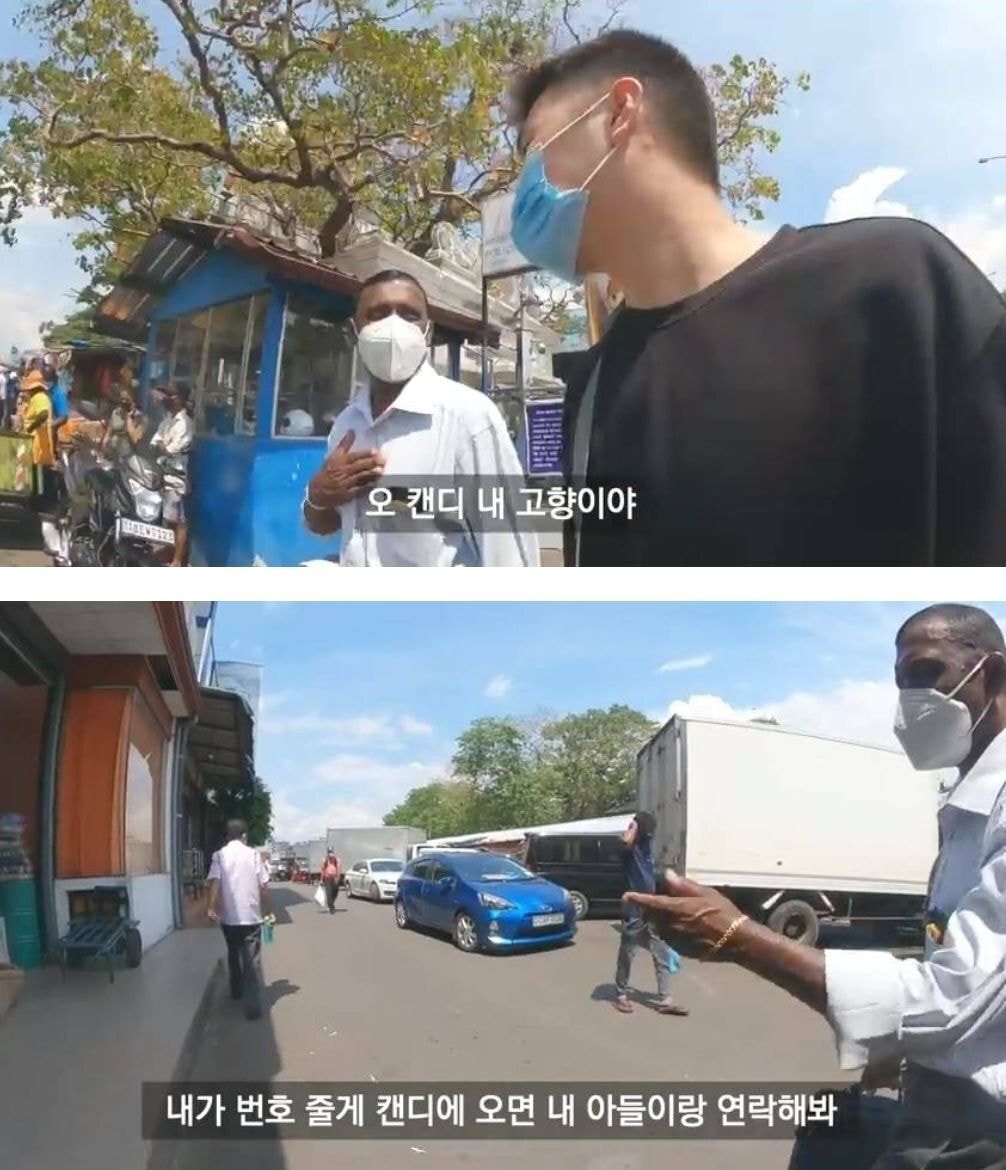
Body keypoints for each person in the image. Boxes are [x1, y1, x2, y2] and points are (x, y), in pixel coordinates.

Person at [507, 31, 1006, 568]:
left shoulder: (896, 281)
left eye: (534, 153)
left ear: (619, 114)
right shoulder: (590, 390)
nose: (522, 192)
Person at [629, 603, 1006, 1167]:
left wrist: (741, 937)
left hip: (979, 1125)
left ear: (994, 676)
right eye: (900, 682)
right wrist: (901, 1051)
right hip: (939, 1095)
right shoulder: (963, 807)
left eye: (926, 673)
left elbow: (951, 1000)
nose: (909, 701)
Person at [303, 269, 539, 568]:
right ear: (354, 332)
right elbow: (324, 525)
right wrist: (318, 495)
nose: (393, 325)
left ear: (427, 332)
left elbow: (512, 558)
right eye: (377, 314)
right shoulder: (347, 424)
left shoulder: (469, 417)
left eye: (409, 315)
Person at [613, 812, 687, 1017]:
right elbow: (625, 842)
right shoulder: (628, 849)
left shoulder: (646, 846)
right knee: (628, 954)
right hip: (634, 911)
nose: (650, 833)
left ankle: (665, 999)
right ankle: (621, 995)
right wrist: (633, 827)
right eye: (646, 828)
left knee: (661, 952)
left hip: (651, 910)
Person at [206, 819, 272, 1021]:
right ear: (244, 836)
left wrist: (210, 907)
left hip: (229, 919)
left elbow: (215, 883)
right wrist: (268, 913)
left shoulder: (219, 856)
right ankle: (252, 1008)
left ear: (228, 836)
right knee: (251, 962)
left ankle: (236, 991)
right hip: (251, 917)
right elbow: (264, 887)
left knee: (233, 953)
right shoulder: (254, 855)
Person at [149, 384, 194, 567]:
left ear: (179, 399)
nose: (166, 399)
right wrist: (161, 449)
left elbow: (169, 450)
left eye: (171, 396)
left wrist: (162, 449)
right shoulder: (167, 420)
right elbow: (154, 444)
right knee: (169, 519)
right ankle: (168, 552)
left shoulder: (185, 424)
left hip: (176, 477)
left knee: (179, 521)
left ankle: (177, 559)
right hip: (163, 474)